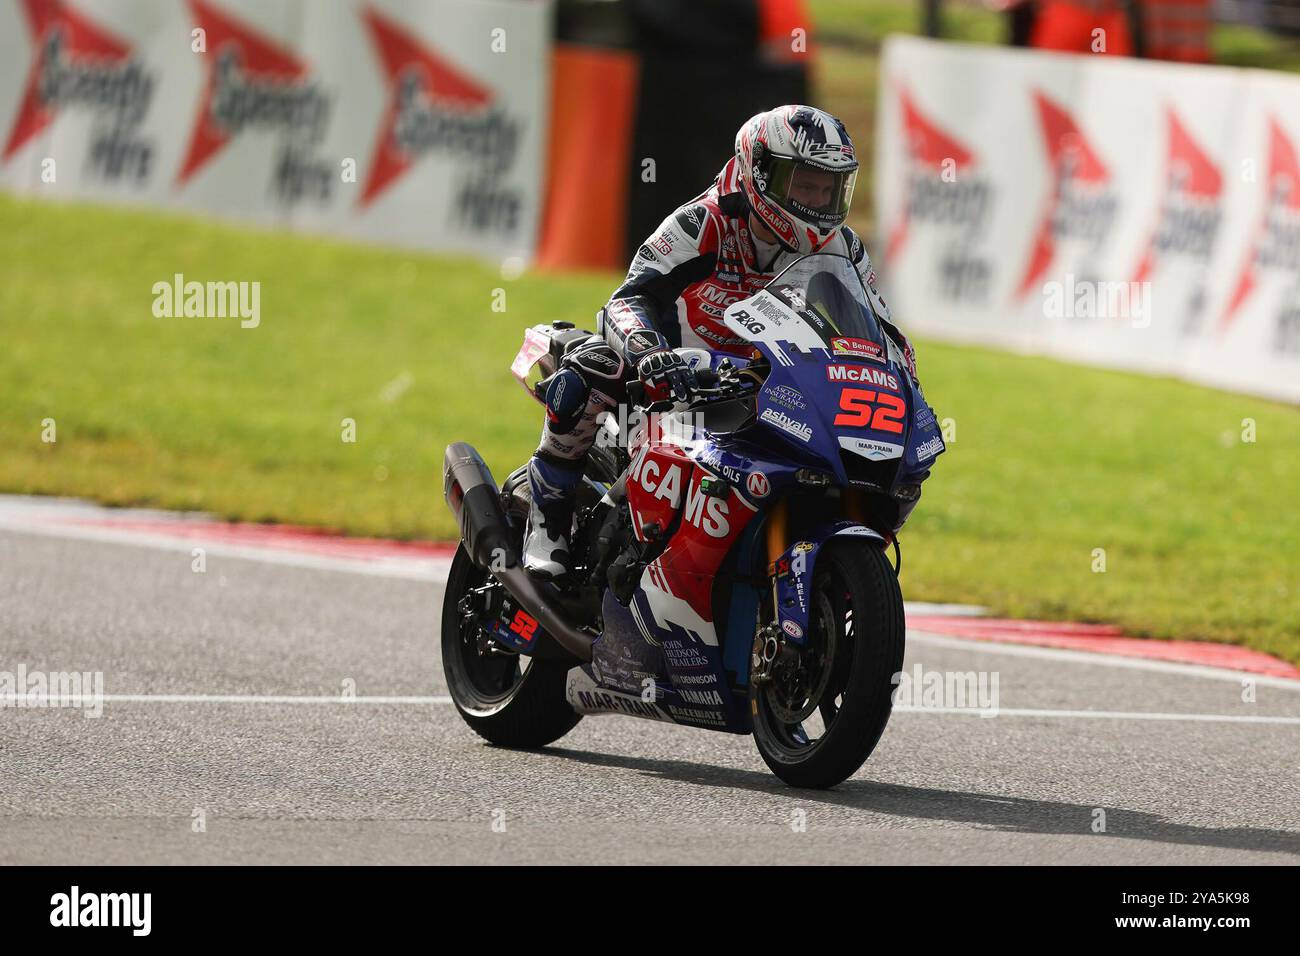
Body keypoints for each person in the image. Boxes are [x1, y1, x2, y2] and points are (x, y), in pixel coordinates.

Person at [523, 104, 911, 577]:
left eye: (829, 187)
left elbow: (880, 326)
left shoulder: (840, 246)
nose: (819, 200)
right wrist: (650, 353)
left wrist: (900, 373)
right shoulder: (702, 223)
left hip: (765, 386)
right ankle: (548, 521)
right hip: (671, 383)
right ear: (760, 171)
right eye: (804, 183)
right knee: (595, 362)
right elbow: (628, 299)